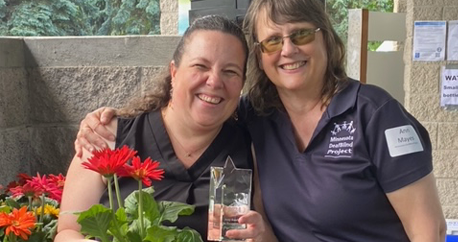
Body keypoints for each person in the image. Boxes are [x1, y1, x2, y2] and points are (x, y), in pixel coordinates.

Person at [74, 0, 447, 241]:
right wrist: (105, 119)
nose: (287, 50)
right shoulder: (257, 116)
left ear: (326, 40)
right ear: (261, 54)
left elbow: (429, 231)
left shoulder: (376, 115)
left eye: (300, 34)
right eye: (272, 41)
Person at [55, 15, 278, 242]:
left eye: (230, 71)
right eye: (201, 66)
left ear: (241, 83)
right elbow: (67, 231)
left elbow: (265, 233)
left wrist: (261, 237)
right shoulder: (107, 135)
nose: (214, 81)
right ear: (174, 72)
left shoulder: (249, 147)